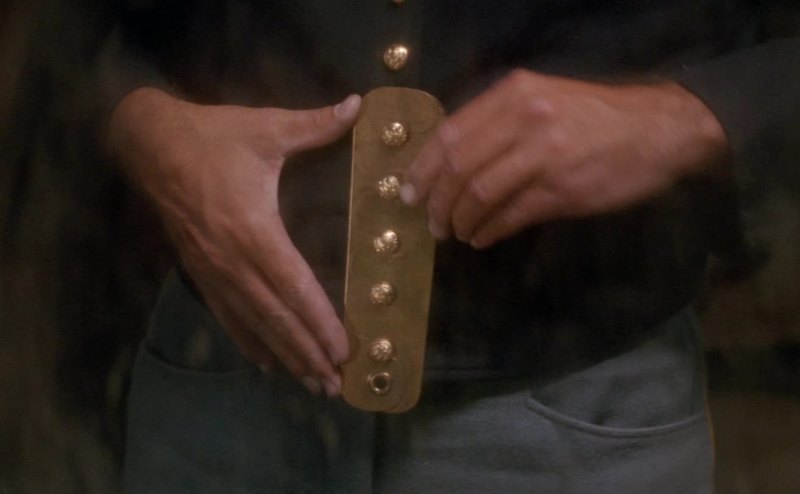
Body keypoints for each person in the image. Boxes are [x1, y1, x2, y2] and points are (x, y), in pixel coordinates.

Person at [102, 1, 800, 492]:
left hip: (579, 415)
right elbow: (71, 31)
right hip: (218, 397)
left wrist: (691, 116)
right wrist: (138, 122)